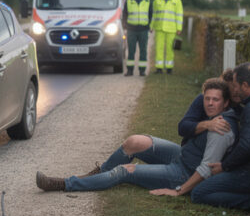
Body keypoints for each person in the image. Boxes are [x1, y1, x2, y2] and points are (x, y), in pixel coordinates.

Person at [35, 78, 238, 196]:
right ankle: (98, 174)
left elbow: (206, 169)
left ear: (226, 103)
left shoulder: (222, 128)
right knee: (134, 142)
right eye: (207, 99)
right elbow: (183, 127)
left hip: (183, 173)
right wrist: (205, 123)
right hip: (182, 155)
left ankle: (65, 183)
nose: (210, 103)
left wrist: (179, 190)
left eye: (215, 100)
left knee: (124, 171)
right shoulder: (211, 114)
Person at [190, 62, 250, 215]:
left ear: (244, 85)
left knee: (199, 193)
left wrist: (224, 166)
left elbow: (246, 147)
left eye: (235, 85)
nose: (233, 90)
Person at [151, 0, 183, 74]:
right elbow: (154, 15)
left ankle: (169, 68)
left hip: (171, 29)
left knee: (170, 49)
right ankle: (159, 68)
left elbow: (179, 15)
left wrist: (179, 28)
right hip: (159, 28)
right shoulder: (157, 0)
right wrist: (151, 26)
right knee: (159, 48)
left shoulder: (177, 1)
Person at [123, 0, 153, 76]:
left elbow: (151, 15)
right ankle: (130, 70)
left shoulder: (148, 1)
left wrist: (150, 26)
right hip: (131, 30)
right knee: (131, 51)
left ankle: (142, 70)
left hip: (143, 30)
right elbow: (125, 14)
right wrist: (124, 25)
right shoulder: (129, 1)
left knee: (143, 50)